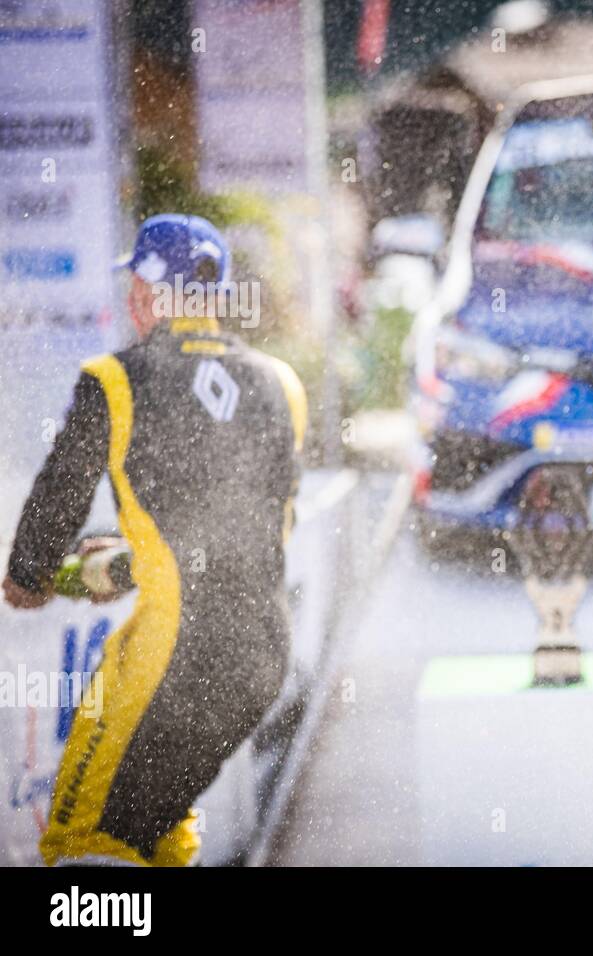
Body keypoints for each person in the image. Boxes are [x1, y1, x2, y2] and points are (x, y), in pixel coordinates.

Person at [3, 214, 307, 866]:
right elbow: (241, 529)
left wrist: (28, 576)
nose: (131, 302)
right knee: (158, 829)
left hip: (171, 659)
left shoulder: (114, 381)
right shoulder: (282, 385)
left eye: (136, 286)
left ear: (150, 292)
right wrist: (126, 555)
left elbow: (57, 502)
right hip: (260, 661)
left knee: (87, 840)